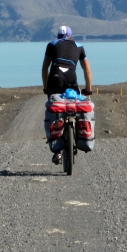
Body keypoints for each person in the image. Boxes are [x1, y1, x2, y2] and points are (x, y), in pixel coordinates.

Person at [42, 25, 93, 165]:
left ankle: (57, 150)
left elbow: (45, 68)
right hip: (71, 77)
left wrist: (46, 88)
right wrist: (88, 90)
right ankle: (77, 133)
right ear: (71, 36)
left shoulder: (52, 45)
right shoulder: (79, 46)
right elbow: (87, 71)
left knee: (54, 108)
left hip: (55, 77)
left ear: (58, 36)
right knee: (74, 103)